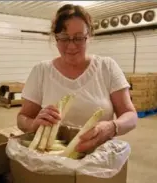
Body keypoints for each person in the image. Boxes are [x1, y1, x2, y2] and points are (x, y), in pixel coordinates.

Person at [17, 4, 137, 153]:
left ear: (89, 36)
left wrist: (112, 127)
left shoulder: (107, 67)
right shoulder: (41, 71)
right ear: (56, 38)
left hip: (99, 159)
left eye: (79, 38)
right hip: (53, 157)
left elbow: (131, 116)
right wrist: (33, 124)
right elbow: (22, 118)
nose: (71, 46)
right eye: (64, 38)